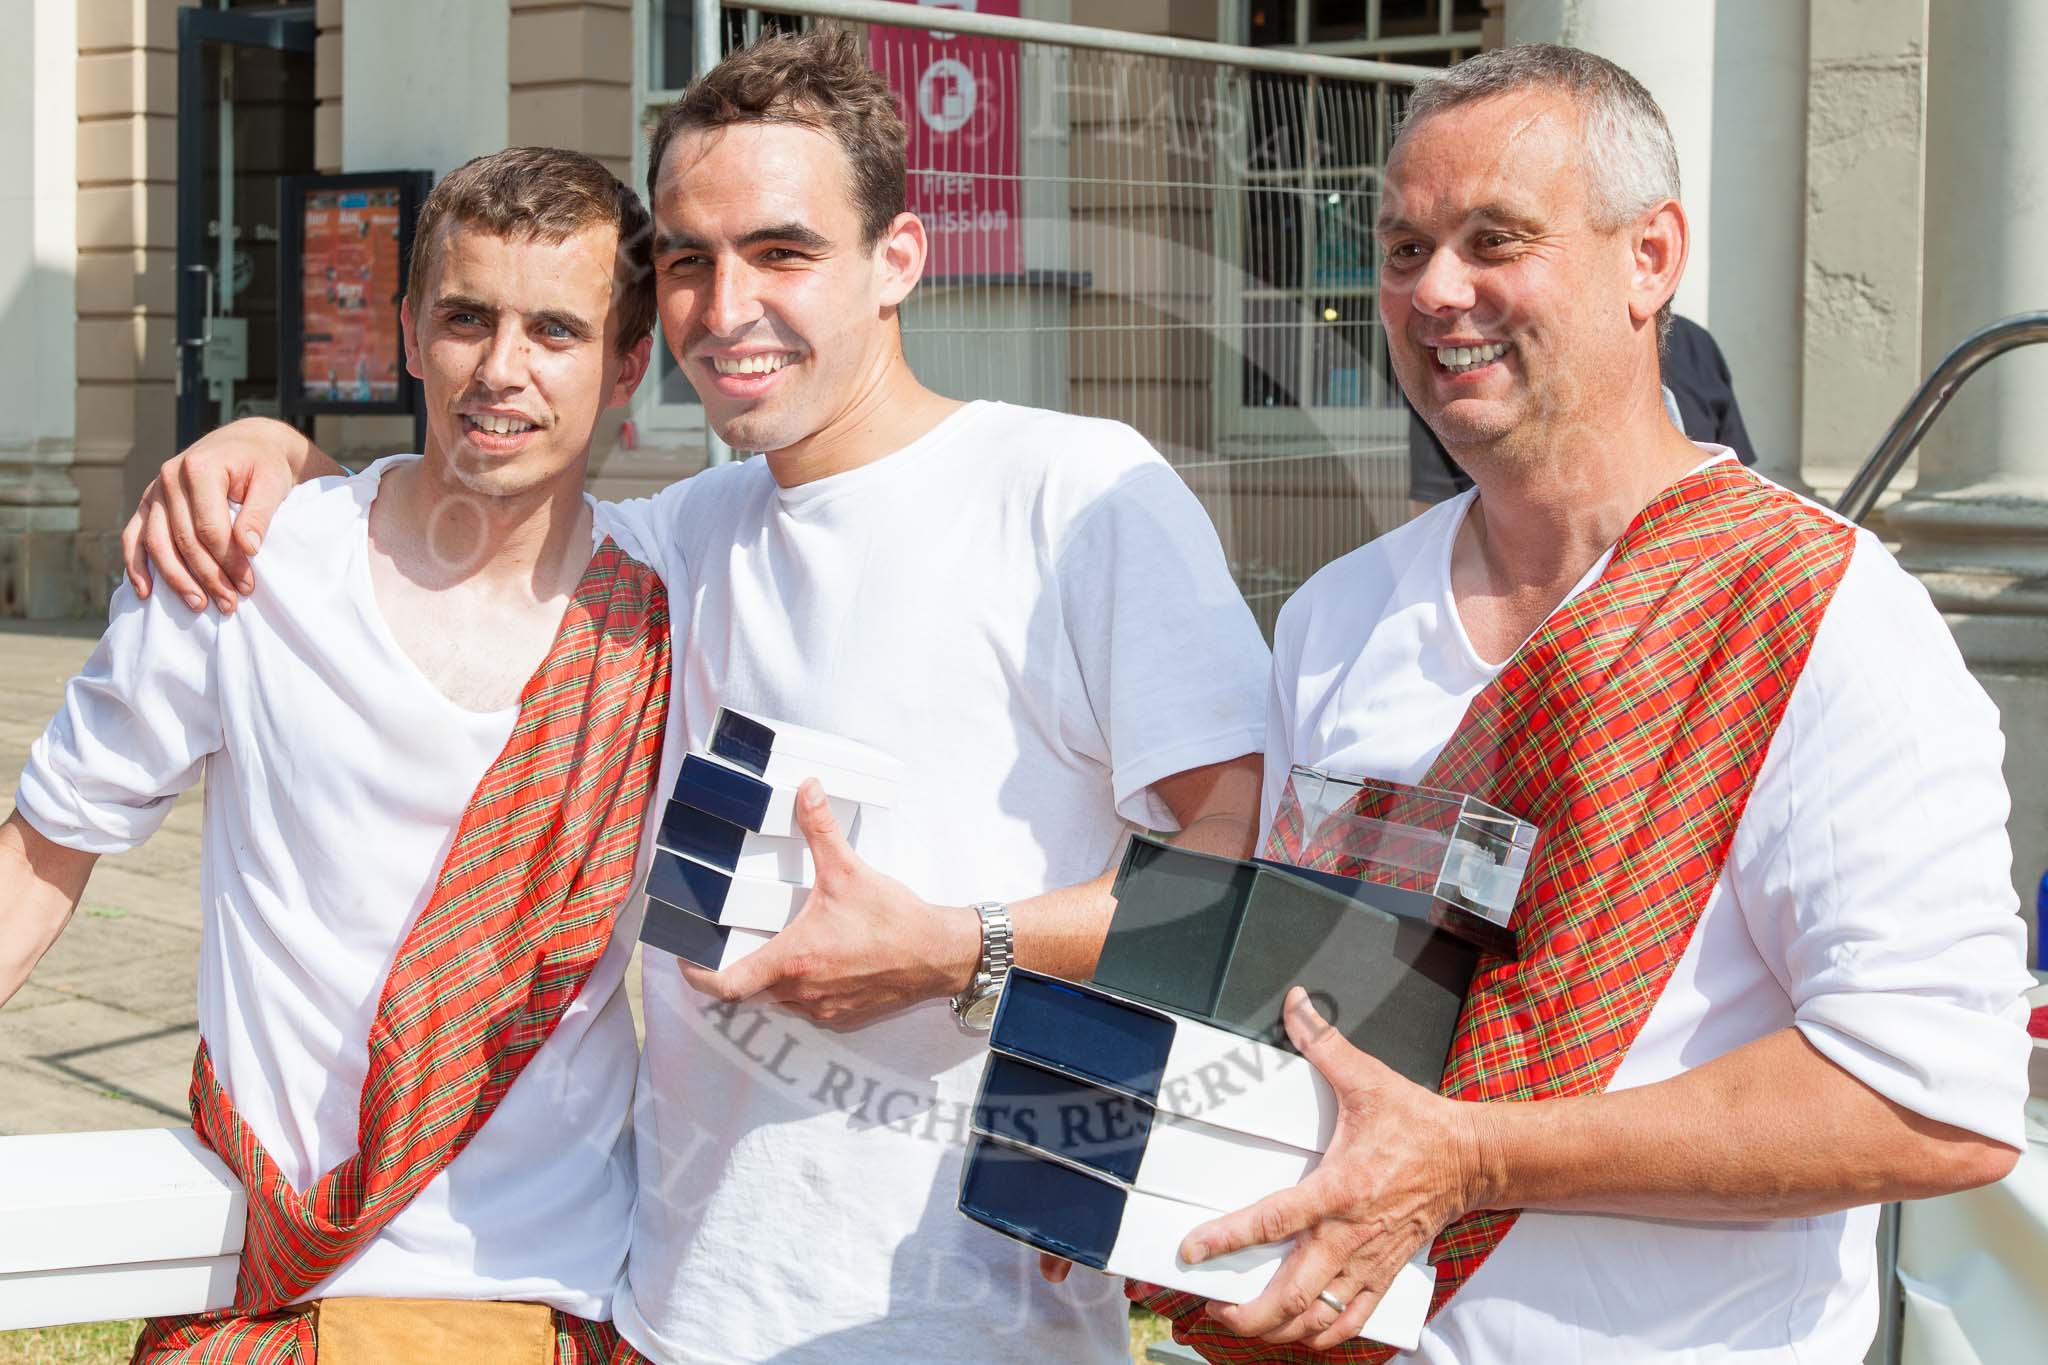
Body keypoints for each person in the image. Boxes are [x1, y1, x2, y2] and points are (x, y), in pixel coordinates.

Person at [122, 28, 1271, 1365]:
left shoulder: (1071, 495)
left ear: (898, 257)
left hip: (960, 1328)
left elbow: (1254, 889)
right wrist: (268, 452)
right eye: (685, 259)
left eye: (782, 252)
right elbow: (465, 507)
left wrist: (961, 946)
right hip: (664, 1313)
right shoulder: (677, 537)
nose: (724, 307)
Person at [1134, 44, 2035, 1364]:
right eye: (1400, 249)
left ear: (1651, 256)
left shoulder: (1820, 614)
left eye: (1495, 239)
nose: (1437, 292)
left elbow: (1932, 1099)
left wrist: (1470, 1157)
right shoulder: (1337, 618)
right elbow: (1301, 1011)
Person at [3, 147, 665, 1362]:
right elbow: (41, 858)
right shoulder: (244, 568)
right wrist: (259, 445)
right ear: (410, 330)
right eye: (467, 318)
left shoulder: (669, 602)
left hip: (558, 1298)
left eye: (556, 331)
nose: (501, 371)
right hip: (279, 1300)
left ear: (628, 362)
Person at [1407, 312, 1756, 510]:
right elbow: (1430, 516)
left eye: (1496, 242)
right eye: (1409, 250)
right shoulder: (1459, 371)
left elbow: (1737, 490)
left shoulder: (1696, 347)